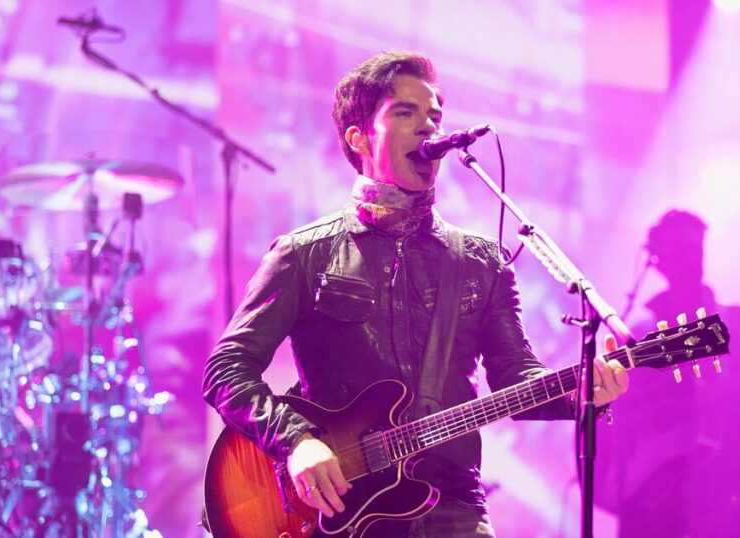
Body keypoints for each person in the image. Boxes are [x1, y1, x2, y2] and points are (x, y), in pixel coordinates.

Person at [203, 51, 629, 537]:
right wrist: (297, 441)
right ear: (359, 137)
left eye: (434, 116)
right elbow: (225, 369)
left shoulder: (480, 261)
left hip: (454, 505)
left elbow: (516, 376)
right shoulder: (305, 253)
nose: (428, 126)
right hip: (340, 511)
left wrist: (580, 391)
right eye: (405, 113)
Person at [595, 209, 740, 537]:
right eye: (680, 249)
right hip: (651, 490)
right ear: (658, 261)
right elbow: (618, 404)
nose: (692, 258)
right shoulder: (639, 331)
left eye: (696, 248)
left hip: (718, 483)